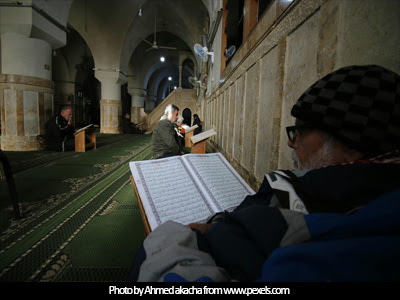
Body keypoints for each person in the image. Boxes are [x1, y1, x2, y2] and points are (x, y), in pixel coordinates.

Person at [130, 65, 400, 282]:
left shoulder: (347, 237)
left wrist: (176, 239)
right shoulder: (344, 191)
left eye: (301, 131)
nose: (291, 142)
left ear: (349, 143)